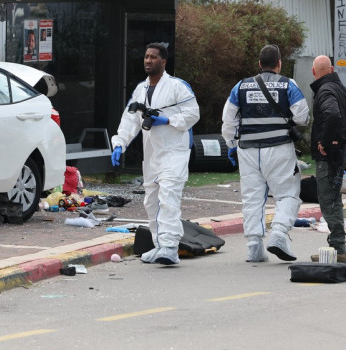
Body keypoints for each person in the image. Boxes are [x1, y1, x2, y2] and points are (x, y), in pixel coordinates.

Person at [110, 42, 199, 265]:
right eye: (146, 57)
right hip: (152, 155)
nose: (148, 60)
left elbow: (193, 114)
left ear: (163, 61)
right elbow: (130, 119)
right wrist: (120, 143)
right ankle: (159, 244)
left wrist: (167, 120)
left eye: (153, 57)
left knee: (169, 197)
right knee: (152, 200)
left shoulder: (177, 86)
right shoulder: (141, 89)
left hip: (174, 151)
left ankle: (170, 247)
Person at [221, 44, 309, 262]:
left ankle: (254, 247)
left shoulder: (241, 86)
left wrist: (231, 144)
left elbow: (228, 120)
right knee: (287, 193)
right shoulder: (288, 84)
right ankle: (279, 233)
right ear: (279, 63)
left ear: (259, 64)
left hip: (248, 151)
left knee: (252, 198)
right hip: (279, 149)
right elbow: (302, 117)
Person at [308, 55, 346, 263]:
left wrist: (326, 142)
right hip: (339, 153)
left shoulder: (325, 90)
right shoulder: (341, 89)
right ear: (330, 70)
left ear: (314, 72)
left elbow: (332, 114)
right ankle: (336, 247)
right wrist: (342, 142)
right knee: (334, 199)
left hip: (329, 157)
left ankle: (338, 248)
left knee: (329, 201)